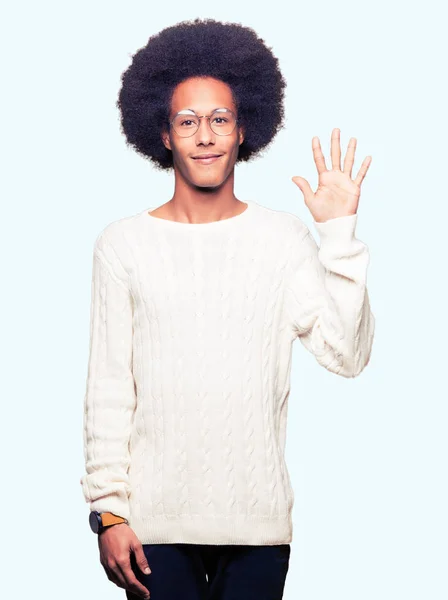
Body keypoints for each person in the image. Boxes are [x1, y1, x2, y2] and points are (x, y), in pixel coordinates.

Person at [80, 17, 375, 600]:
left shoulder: (283, 239)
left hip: (257, 526)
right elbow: (109, 388)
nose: (205, 135)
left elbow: (348, 354)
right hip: (154, 526)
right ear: (164, 135)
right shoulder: (122, 244)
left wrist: (338, 234)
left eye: (220, 119)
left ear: (244, 131)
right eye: (188, 121)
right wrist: (109, 514)